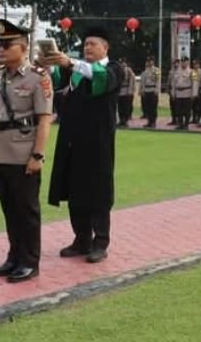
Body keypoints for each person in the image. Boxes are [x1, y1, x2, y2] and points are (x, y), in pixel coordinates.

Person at [46, 27, 125, 264]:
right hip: (73, 139)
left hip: (98, 142)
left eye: (92, 44)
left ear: (105, 47)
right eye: (85, 45)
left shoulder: (113, 70)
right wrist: (51, 63)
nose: (87, 48)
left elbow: (97, 77)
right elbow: (56, 84)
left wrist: (70, 62)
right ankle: (81, 239)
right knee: (75, 189)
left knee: (98, 191)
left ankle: (100, 242)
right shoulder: (76, 72)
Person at [0, 19, 53, 283]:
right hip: (2, 152)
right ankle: (14, 256)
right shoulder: (0, 76)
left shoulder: (38, 77)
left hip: (24, 153)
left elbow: (45, 119)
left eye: (7, 44)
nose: (1, 49)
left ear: (23, 48)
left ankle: (29, 261)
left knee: (26, 211)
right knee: (10, 210)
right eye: (0, 44)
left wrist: (37, 155)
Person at [171, 56, 198, 130]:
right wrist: (173, 93)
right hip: (179, 93)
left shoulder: (192, 72)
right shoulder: (177, 72)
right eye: (182, 62)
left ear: (188, 62)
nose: (183, 63)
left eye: (185, 61)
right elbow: (174, 83)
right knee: (178, 110)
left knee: (187, 110)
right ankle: (180, 124)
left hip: (187, 93)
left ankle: (186, 124)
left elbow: (194, 83)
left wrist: (194, 94)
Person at [140, 56, 160, 128]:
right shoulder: (145, 72)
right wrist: (142, 90)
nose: (150, 62)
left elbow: (158, 81)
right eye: (148, 61)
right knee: (147, 107)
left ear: (153, 62)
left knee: (153, 108)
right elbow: (142, 82)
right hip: (147, 90)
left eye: (151, 61)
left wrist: (157, 90)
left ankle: (153, 122)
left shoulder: (156, 70)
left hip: (153, 90)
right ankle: (149, 121)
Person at [117, 60, 136, 127]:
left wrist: (130, 90)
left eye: (124, 63)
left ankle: (125, 120)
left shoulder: (129, 71)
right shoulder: (118, 70)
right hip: (120, 91)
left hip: (126, 90)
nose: (123, 65)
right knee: (120, 107)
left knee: (126, 107)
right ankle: (121, 120)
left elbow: (131, 81)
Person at [167, 59, 179, 125]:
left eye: (176, 63)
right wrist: (168, 89)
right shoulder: (171, 72)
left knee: (178, 106)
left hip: (178, 91)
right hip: (172, 91)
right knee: (172, 106)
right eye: (174, 63)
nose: (175, 64)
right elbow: (169, 81)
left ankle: (178, 120)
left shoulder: (180, 72)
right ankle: (173, 119)